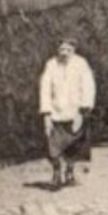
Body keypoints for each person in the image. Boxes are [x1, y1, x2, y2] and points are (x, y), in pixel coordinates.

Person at [38, 37, 95, 190]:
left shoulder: (81, 64)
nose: (64, 53)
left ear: (74, 50)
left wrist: (83, 111)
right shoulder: (51, 64)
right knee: (53, 147)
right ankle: (56, 173)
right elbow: (45, 89)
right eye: (61, 50)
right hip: (56, 113)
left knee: (73, 147)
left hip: (75, 112)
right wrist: (46, 113)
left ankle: (69, 172)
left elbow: (88, 87)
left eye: (68, 50)